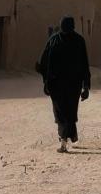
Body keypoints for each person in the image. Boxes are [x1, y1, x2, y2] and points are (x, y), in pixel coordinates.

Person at [36, 16, 91, 152]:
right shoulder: (79, 40)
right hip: (73, 84)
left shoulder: (54, 40)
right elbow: (85, 65)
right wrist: (86, 86)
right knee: (70, 112)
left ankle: (64, 141)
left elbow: (43, 63)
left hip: (57, 84)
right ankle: (67, 138)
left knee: (61, 113)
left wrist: (46, 81)